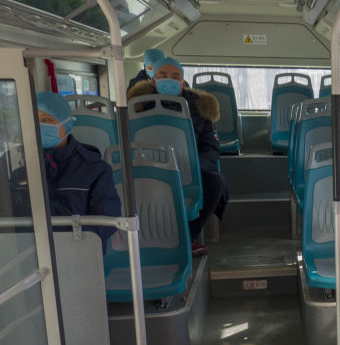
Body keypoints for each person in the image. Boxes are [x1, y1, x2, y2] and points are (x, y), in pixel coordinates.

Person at [128, 57, 228, 255]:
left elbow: (211, 145)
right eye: (163, 75)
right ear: (154, 80)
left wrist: (196, 168)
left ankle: (188, 236)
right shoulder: (136, 107)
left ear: (183, 82)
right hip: (148, 168)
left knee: (215, 182)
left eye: (175, 77)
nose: (169, 80)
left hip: (190, 168)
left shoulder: (200, 107)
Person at [25, 91, 120, 249]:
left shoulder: (94, 169)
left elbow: (106, 219)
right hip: (31, 251)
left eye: (46, 120)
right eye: (33, 120)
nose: (38, 126)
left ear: (66, 124)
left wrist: (72, 245)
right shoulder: (17, 166)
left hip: (79, 250)